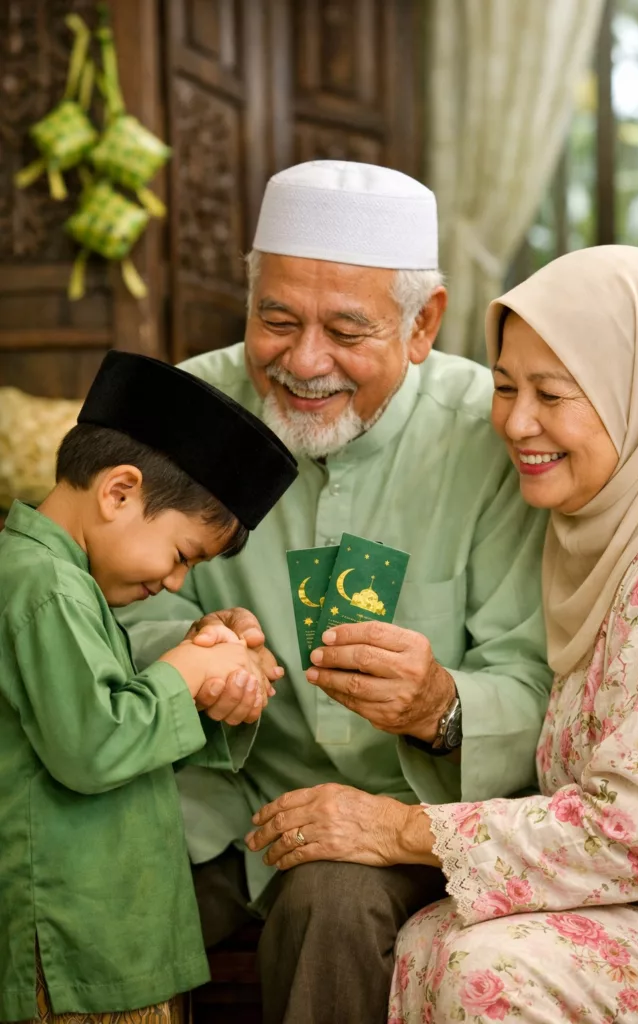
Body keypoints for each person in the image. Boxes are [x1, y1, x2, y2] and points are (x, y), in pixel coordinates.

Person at [118, 160, 552, 1024]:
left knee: (334, 903)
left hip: (394, 819)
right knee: (76, 874)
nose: (302, 361)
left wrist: (442, 705)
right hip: (209, 798)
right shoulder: (188, 408)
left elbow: (535, 672)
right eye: (274, 320)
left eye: (346, 331)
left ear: (422, 324)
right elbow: (98, 600)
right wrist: (193, 648)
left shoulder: (493, 436)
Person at [386, 245, 638, 1022]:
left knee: (490, 968)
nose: (515, 422)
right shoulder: (598, 534)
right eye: (505, 386)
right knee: (434, 936)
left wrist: (401, 828)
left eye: (551, 394)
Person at [0, 351, 297, 1023]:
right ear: (119, 493)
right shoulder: (43, 587)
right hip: (74, 952)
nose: (175, 583)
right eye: (183, 555)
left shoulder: (72, 585)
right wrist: (184, 671)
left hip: (118, 937)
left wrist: (210, 681)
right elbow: (91, 745)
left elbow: (117, 724)